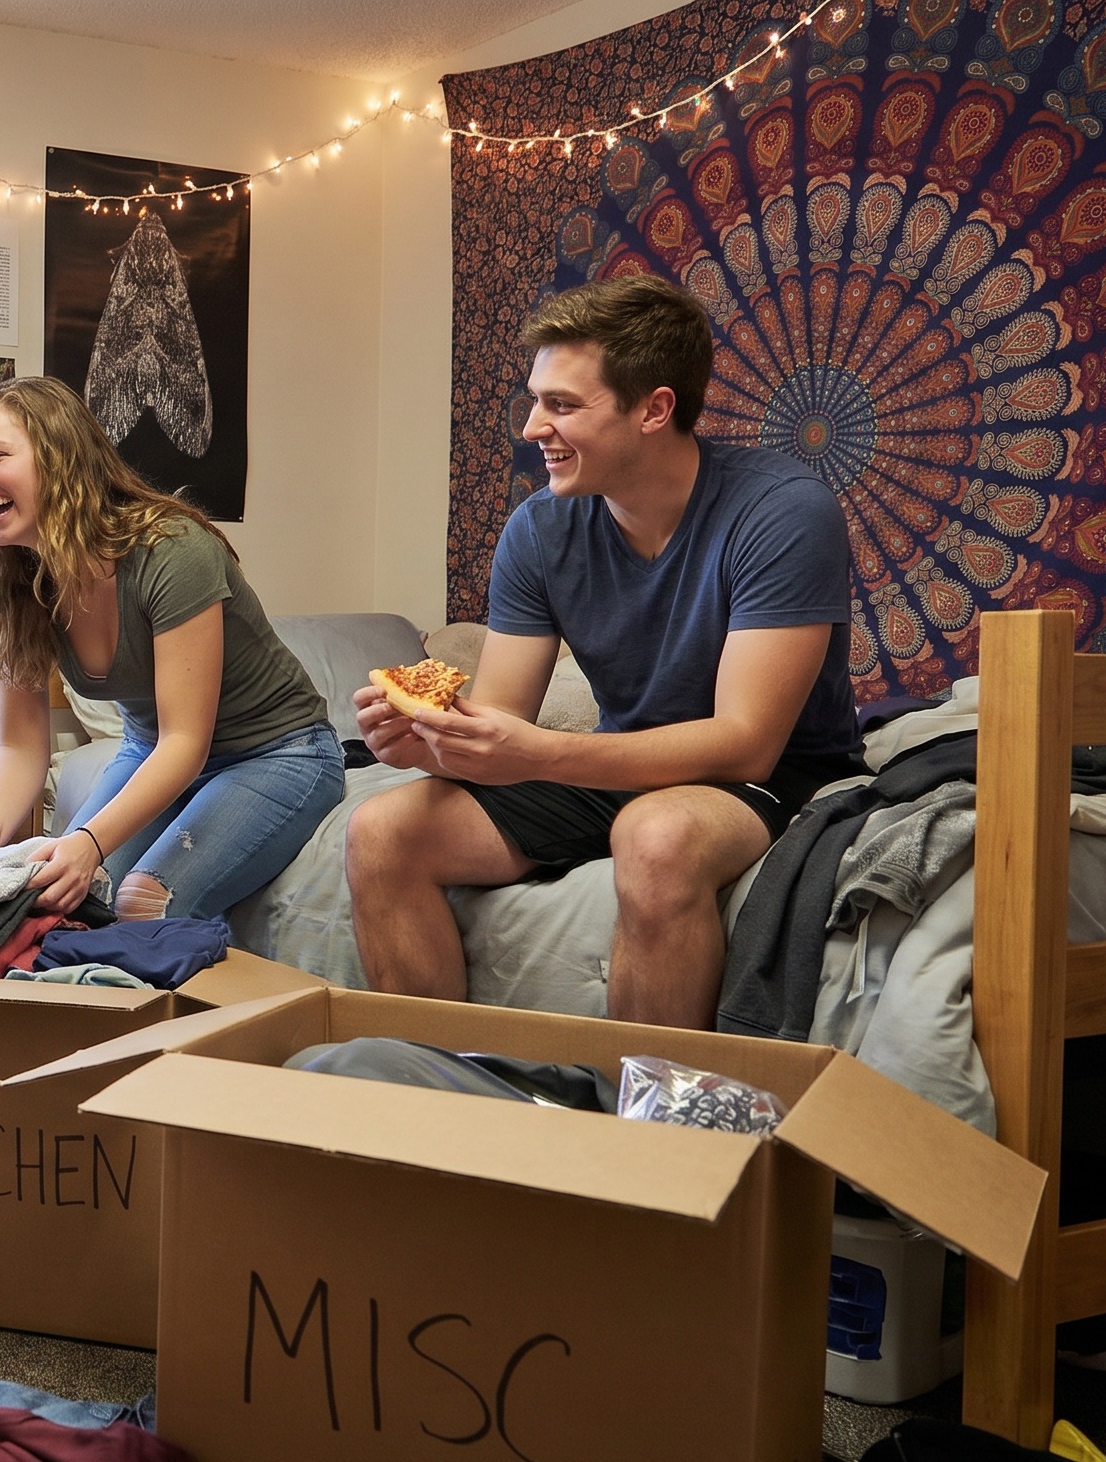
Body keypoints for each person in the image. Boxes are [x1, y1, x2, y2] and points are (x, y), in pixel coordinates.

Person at [344, 273, 860, 1030]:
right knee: (382, 830)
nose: (530, 427)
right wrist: (430, 742)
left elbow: (746, 745)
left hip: (781, 773)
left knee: (655, 837)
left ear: (654, 408)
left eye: (561, 405)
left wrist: (537, 752)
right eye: (534, 400)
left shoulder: (781, 512)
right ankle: (431, 1091)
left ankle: (643, 1137)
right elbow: (499, 720)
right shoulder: (539, 530)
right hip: (619, 762)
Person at [0, 376, 344, 923]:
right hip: (150, 751)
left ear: (60, 459)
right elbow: (19, 744)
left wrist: (89, 841)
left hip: (276, 753)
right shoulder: (9, 583)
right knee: (57, 902)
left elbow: (186, 741)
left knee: (137, 902)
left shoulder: (171, 550)